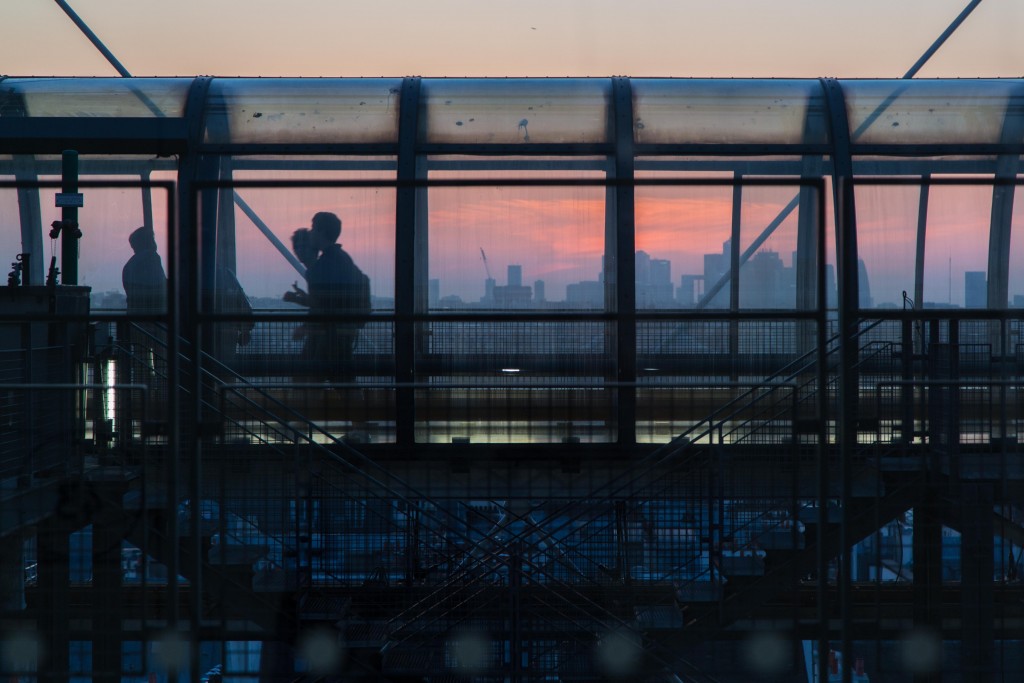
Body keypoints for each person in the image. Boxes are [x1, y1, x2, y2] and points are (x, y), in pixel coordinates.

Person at [305, 212, 370, 383]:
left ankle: (306, 409)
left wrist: (299, 302)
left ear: (321, 232)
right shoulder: (342, 259)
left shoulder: (326, 264)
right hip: (341, 331)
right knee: (343, 380)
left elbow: (323, 302)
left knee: (311, 378)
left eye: (313, 229)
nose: (310, 233)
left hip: (330, 332)